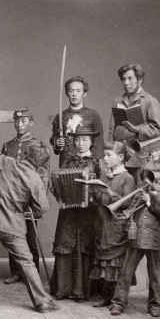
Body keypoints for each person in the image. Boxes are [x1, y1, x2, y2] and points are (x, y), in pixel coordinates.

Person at [0, 140, 59, 313]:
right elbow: (42, 208)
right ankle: (42, 302)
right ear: (42, 164)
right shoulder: (36, 180)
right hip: (13, 228)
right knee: (27, 262)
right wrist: (32, 209)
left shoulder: (9, 162)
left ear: (25, 154)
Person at [50, 124, 101, 301]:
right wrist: (59, 194)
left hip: (89, 212)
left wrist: (94, 193)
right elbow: (57, 182)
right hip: (68, 212)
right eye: (77, 139)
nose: (80, 143)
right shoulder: (68, 161)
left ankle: (82, 290)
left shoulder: (97, 163)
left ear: (91, 142)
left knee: (84, 245)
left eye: (85, 140)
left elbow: (102, 188)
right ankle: (63, 289)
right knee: (66, 243)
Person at [110, 162, 160, 317]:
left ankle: (155, 304)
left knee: (155, 275)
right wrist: (128, 212)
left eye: (151, 178)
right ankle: (118, 302)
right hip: (136, 238)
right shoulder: (139, 192)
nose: (147, 182)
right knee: (126, 273)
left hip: (154, 240)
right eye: (145, 178)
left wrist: (149, 201)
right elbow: (130, 209)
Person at [0, 108, 44, 284]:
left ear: (31, 122)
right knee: (12, 235)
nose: (20, 124)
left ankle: (34, 272)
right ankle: (16, 271)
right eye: (17, 121)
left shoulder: (37, 145)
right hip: (11, 198)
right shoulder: (8, 145)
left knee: (30, 235)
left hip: (29, 198)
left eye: (24, 121)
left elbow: (42, 174)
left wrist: (37, 199)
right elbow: (1, 168)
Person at [89, 141, 135, 308]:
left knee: (116, 264)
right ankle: (106, 296)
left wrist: (109, 193)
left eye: (109, 155)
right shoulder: (104, 176)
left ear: (121, 157)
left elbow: (127, 203)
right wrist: (95, 193)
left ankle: (118, 299)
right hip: (103, 224)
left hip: (117, 227)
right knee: (103, 263)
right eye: (104, 155)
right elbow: (101, 201)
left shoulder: (127, 178)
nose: (105, 158)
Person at [108, 64, 160, 183]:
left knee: (138, 194)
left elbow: (157, 129)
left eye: (130, 78)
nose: (126, 82)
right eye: (123, 79)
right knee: (119, 193)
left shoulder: (150, 101)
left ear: (140, 79)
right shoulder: (117, 101)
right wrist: (110, 153)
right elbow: (112, 129)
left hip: (140, 159)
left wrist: (137, 130)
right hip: (119, 158)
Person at [50, 76, 104, 168]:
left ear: (84, 93)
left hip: (87, 164)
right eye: (71, 91)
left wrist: (96, 165)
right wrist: (57, 143)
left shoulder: (93, 115)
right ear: (67, 93)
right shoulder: (60, 116)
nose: (74, 94)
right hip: (66, 164)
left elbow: (99, 144)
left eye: (78, 91)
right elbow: (54, 141)